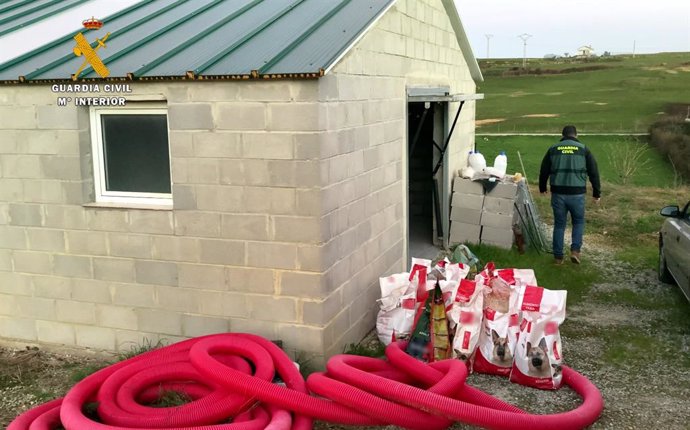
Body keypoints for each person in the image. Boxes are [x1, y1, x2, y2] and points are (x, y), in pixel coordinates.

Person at [539, 125, 601, 264]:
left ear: (563, 135)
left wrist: (542, 187)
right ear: (576, 135)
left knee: (559, 224)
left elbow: (544, 170)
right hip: (577, 194)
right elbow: (593, 172)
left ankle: (558, 257)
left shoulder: (553, 149)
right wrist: (596, 193)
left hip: (558, 193)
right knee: (578, 222)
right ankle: (575, 251)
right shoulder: (584, 149)